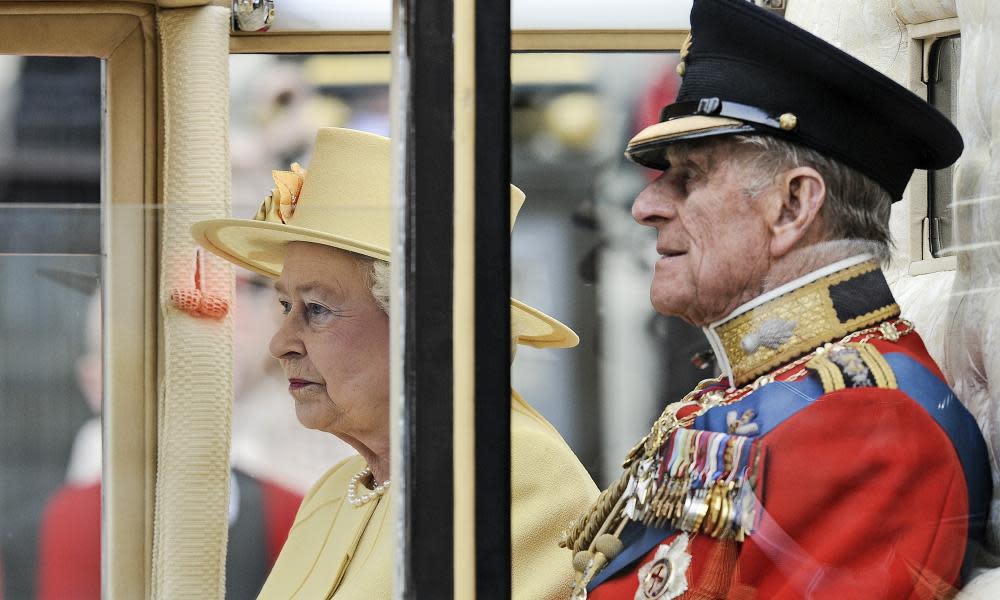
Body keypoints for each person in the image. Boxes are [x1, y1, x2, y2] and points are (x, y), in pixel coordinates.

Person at [561, 1, 992, 598]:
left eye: (688, 178)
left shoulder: (868, 428)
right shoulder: (760, 391)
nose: (647, 206)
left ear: (792, 207)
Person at [192, 127, 599, 599]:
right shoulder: (335, 489)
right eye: (285, 306)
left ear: (423, 329)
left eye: (316, 309)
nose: (281, 343)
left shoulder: (510, 467)